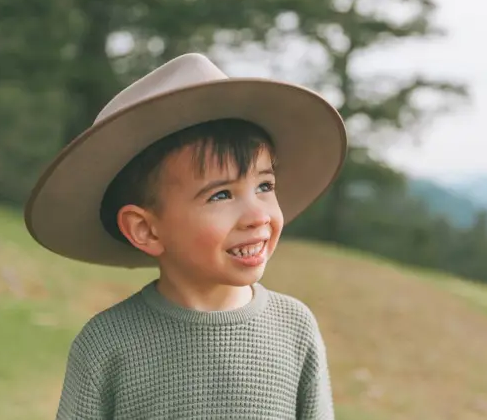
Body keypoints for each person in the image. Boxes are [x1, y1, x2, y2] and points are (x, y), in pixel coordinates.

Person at [24, 53, 347, 419]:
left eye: (264, 185)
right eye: (221, 194)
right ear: (146, 229)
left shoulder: (294, 328)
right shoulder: (107, 345)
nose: (258, 215)